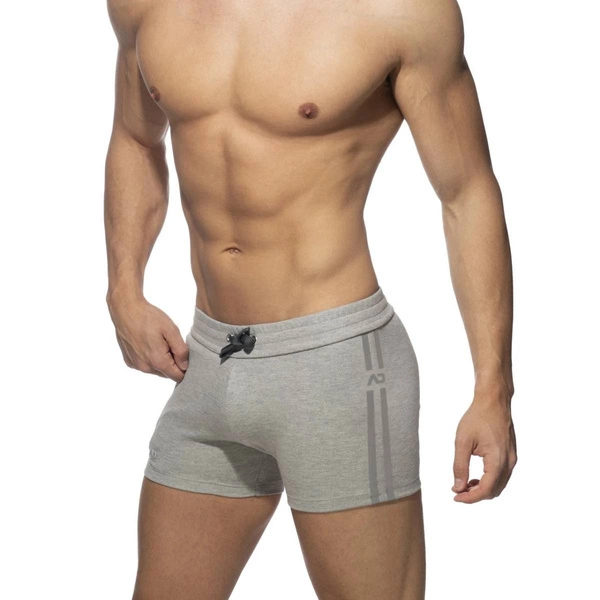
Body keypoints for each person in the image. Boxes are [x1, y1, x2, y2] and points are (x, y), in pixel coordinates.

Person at [104, 0, 517, 598]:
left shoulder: (400, 12)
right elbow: (136, 138)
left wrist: (492, 389)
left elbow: (467, 193)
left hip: (338, 368)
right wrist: (124, 288)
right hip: (209, 362)